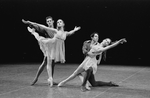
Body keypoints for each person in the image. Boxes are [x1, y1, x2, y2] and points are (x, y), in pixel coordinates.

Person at [58, 33, 126, 91]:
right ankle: (63, 82)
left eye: (107, 42)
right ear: (103, 39)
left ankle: (83, 85)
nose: (106, 41)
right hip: (87, 60)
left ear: (107, 45)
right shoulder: (97, 44)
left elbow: (111, 46)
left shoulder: (102, 49)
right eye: (106, 40)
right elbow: (87, 49)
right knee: (93, 83)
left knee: (89, 69)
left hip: (92, 63)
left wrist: (119, 41)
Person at [22, 18, 81, 87]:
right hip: (50, 45)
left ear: (63, 24)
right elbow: (42, 26)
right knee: (46, 60)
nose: (58, 23)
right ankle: (33, 32)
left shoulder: (65, 33)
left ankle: (51, 79)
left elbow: (70, 32)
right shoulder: (55, 30)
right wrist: (30, 22)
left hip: (56, 49)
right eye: (58, 22)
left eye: (60, 22)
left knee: (52, 63)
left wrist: (75, 30)